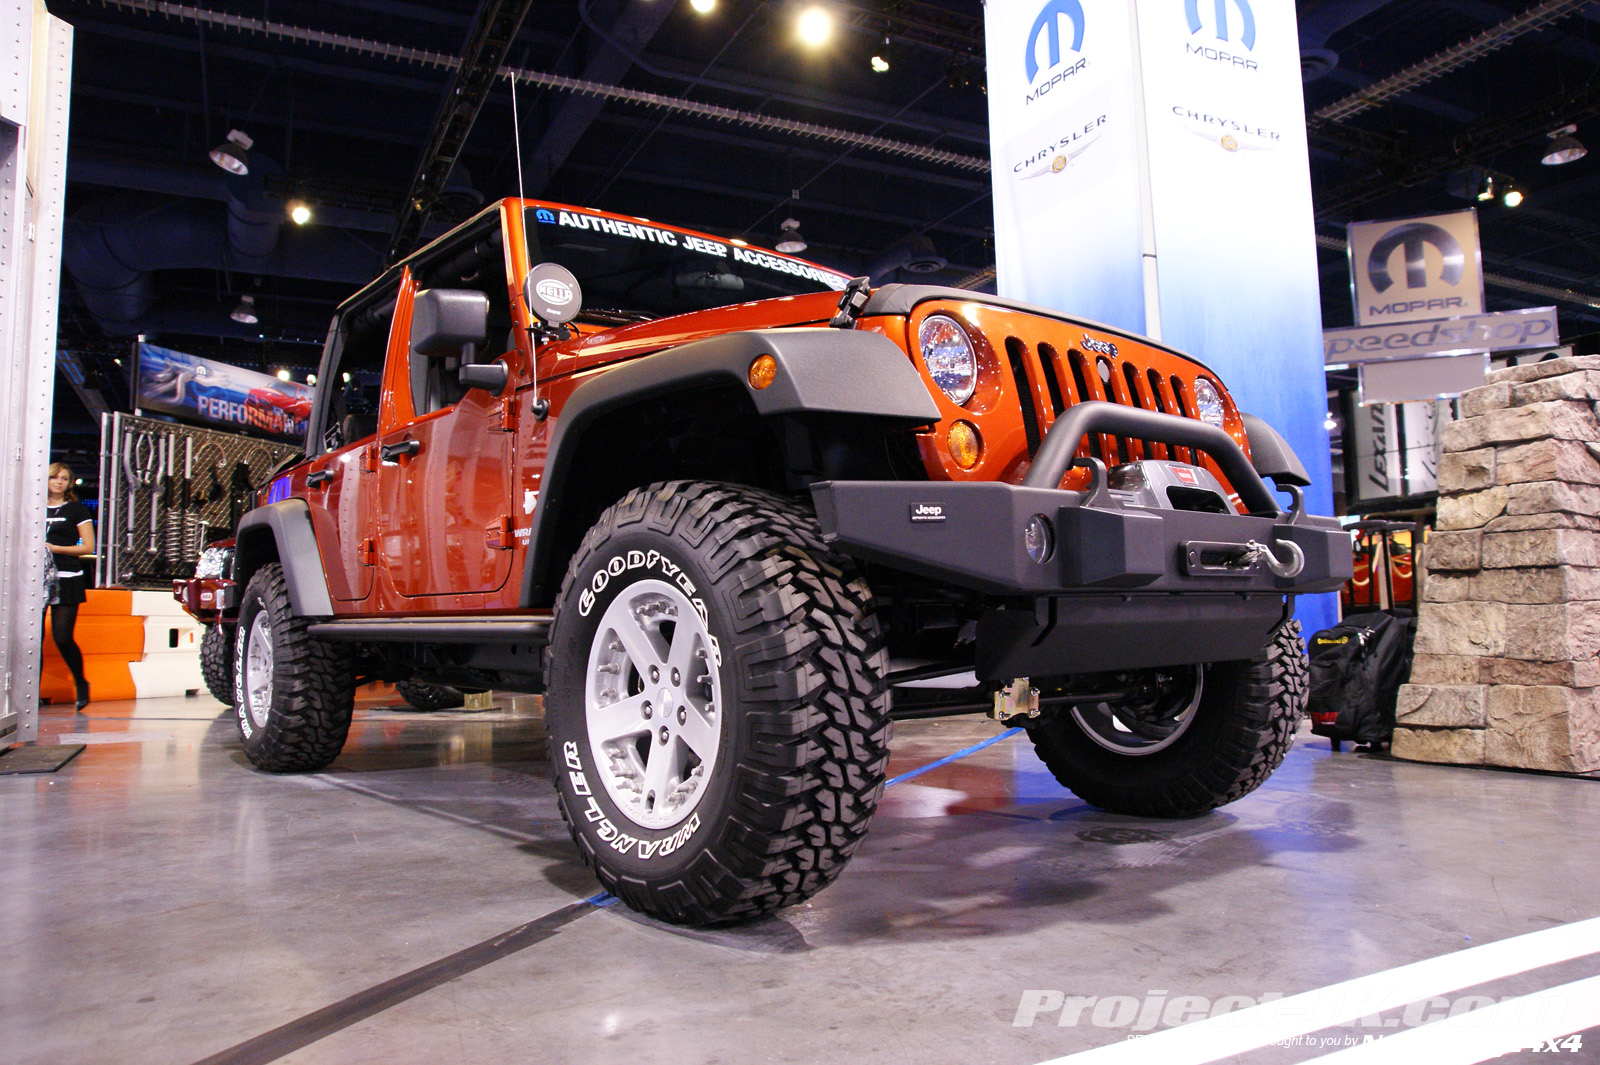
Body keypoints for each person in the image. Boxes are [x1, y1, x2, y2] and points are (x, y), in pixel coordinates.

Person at [45, 462, 94, 711]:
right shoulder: (32, 506)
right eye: (54, 477)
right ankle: (29, 694)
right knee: (32, 640)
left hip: (66, 576)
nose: (59, 482)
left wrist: (55, 548)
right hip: (34, 578)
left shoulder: (76, 509)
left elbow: (88, 546)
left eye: (64, 478)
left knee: (62, 637)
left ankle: (81, 683)